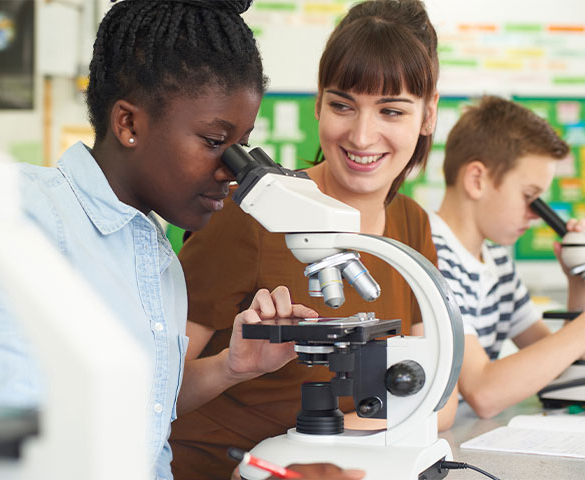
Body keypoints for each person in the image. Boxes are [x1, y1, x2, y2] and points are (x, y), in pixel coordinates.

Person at [0, 1, 320, 479]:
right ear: (129, 124)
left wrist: (233, 365)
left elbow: (143, 415)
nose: (231, 170)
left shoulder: (156, 255)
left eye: (240, 144)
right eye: (213, 141)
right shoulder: (17, 214)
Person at [169, 1, 457, 478]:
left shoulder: (412, 223)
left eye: (391, 110)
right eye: (343, 105)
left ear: (428, 116)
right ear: (318, 103)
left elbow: (437, 398)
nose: (363, 136)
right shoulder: (251, 214)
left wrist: (324, 442)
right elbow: (150, 392)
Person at [429, 95, 585, 419]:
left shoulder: (496, 263)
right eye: (530, 197)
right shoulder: (431, 254)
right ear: (477, 180)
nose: (537, 215)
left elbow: (559, 371)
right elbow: (484, 391)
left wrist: (577, 278)